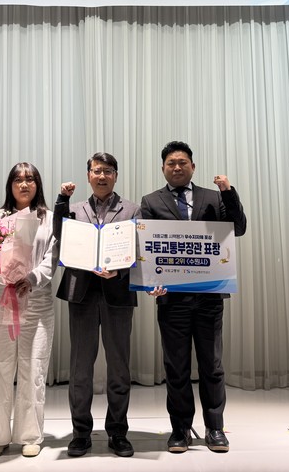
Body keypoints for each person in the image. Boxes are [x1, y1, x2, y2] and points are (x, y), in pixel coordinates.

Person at [140, 141, 247, 454]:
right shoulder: (151, 201)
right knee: (176, 368)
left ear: (193, 167)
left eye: (182, 162)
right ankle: (180, 429)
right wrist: (149, 283)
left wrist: (228, 192)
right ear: (163, 168)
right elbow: (146, 246)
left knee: (212, 366)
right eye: (171, 163)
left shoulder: (214, 197)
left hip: (208, 297)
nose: (177, 167)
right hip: (171, 299)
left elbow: (238, 228)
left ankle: (215, 428)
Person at [53, 152, 140, 458]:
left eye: (108, 171)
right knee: (80, 369)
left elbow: (139, 251)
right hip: (83, 295)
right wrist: (61, 201)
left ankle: (118, 432)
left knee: (119, 368)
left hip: (118, 294)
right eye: (97, 171)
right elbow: (59, 237)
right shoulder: (73, 209)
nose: (102, 176)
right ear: (88, 175)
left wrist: (120, 270)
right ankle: (80, 433)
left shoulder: (133, 209)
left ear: (116, 175)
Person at [0, 162, 57, 458]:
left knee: (34, 367)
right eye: (18, 179)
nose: (24, 184)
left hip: (36, 300)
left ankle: (30, 434)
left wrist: (31, 278)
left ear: (38, 184)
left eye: (30, 179)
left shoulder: (49, 218)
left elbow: (52, 257)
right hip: (3, 297)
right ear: (10, 185)